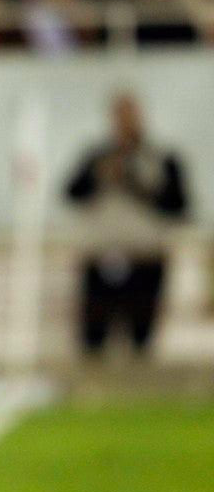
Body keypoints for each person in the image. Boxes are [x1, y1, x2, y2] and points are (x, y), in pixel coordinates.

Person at [65, 91, 188, 357]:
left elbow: (178, 205)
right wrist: (101, 175)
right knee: (93, 338)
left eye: (130, 114)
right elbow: (72, 193)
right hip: (100, 257)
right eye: (119, 115)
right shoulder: (95, 157)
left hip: (146, 257)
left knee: (141, 338)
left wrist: (131, 179)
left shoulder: (162, 158)